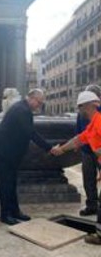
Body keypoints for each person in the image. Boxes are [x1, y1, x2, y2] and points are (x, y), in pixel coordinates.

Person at [0, 88, 53, 225]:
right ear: (31, 98)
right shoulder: (22, 110)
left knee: (11, 182)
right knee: (6, 183)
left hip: (9, 150)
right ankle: (5, 215)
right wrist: (50, 148)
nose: (39, 106)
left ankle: (14, 211)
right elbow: (31, 133)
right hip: (3, 150)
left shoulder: (22, 108)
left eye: (41, 103)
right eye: (39, 102)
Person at [51, 90, 101, 245]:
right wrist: (61, 149)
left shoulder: (99, 121)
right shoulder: (93, 124)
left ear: (88, 106)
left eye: (81, 107)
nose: (80, 111)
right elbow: (78, 139)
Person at [77, 85, 101, 216]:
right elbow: (79, 130)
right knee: (88, 179)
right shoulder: (82, 113)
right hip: (87, 151)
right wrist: (77, 145)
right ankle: (92, 205)